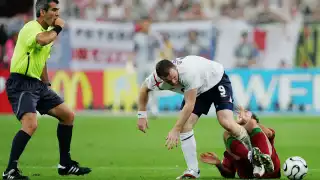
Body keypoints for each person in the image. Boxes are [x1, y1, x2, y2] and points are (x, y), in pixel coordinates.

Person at [136, 55, 272, 179]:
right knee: (185, 126)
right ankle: (193, 171)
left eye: (174, 76)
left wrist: (175, 129)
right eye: (169, 80)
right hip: (198, 90)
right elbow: (144, 89)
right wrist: (141, 115)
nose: (174, 81)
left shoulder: (187, 72)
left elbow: (189, 105)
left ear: (175, 68)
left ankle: (255, 156)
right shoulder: (155, 80)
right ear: (161, 79)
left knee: (226, 122)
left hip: (216, 80)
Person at [2, 0, 91, 179]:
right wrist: (58, 29)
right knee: (30, 124)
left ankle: (65, 164)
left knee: (68, 115)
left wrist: (46, 83)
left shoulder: (46, 33)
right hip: (22, 84)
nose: (57, 14)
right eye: (54, 10)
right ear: (42, 12)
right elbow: (42, 41)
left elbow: (41, 60)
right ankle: (10, 171)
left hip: (37, 84)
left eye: (58, 10)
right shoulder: (31, 28)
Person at [200, 107, 281, 179]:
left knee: (244, 126)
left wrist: (249, 122)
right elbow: (229, 174)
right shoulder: (233, 145)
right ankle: (253, 158)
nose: (241, 115)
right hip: (251, 175)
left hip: (270, 170)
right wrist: (218, 164)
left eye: (246, 113)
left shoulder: (261, 131)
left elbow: (269, 134)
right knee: (227, 133)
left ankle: (264, 159)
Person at [130, 16, 163, 117]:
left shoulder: (155, 36)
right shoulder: (137, 37)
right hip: (140, 63)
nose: (145, 25)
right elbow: (134, 50)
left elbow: (161, 47)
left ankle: (154, 108)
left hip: (151, 63)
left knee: (153, 86)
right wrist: (132, 61)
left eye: (147, 23)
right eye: (143, 23)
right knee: (141, 87)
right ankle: (143, 109)